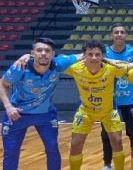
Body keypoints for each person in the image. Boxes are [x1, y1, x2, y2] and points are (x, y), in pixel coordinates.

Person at [0, 37, 78, 170]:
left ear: (53, 54)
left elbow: (86, 54)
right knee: (11, 152)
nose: (43, 53)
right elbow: (2, 83)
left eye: (47, 51)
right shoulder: (20, 67)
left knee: (52, 148)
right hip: (18, 114)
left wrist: (108, 59)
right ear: (32, 53)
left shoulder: (59, 64)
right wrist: (8, 107)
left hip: (45, 115)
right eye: (39, 50)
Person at [63, 40, 129, 170]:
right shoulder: (75, 69)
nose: (94, 57)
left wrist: (110, 61)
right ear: (84, 55)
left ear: (103, 56)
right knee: (75, 144)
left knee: (117, 141)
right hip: (85, 112)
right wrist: (28, 56)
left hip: (108, 111)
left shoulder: (111, 69)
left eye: (97, 54)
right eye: (90, 54)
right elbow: (52, 61)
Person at [100, 23, 133, 170]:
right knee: (107, 134)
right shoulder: (103, 52)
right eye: (116, 32)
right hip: (109, 102)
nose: (119, 35)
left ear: (126, 35)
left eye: (122, 32)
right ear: (111, 35)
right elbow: (83, 56)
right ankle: (107, 164)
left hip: (131, 101)